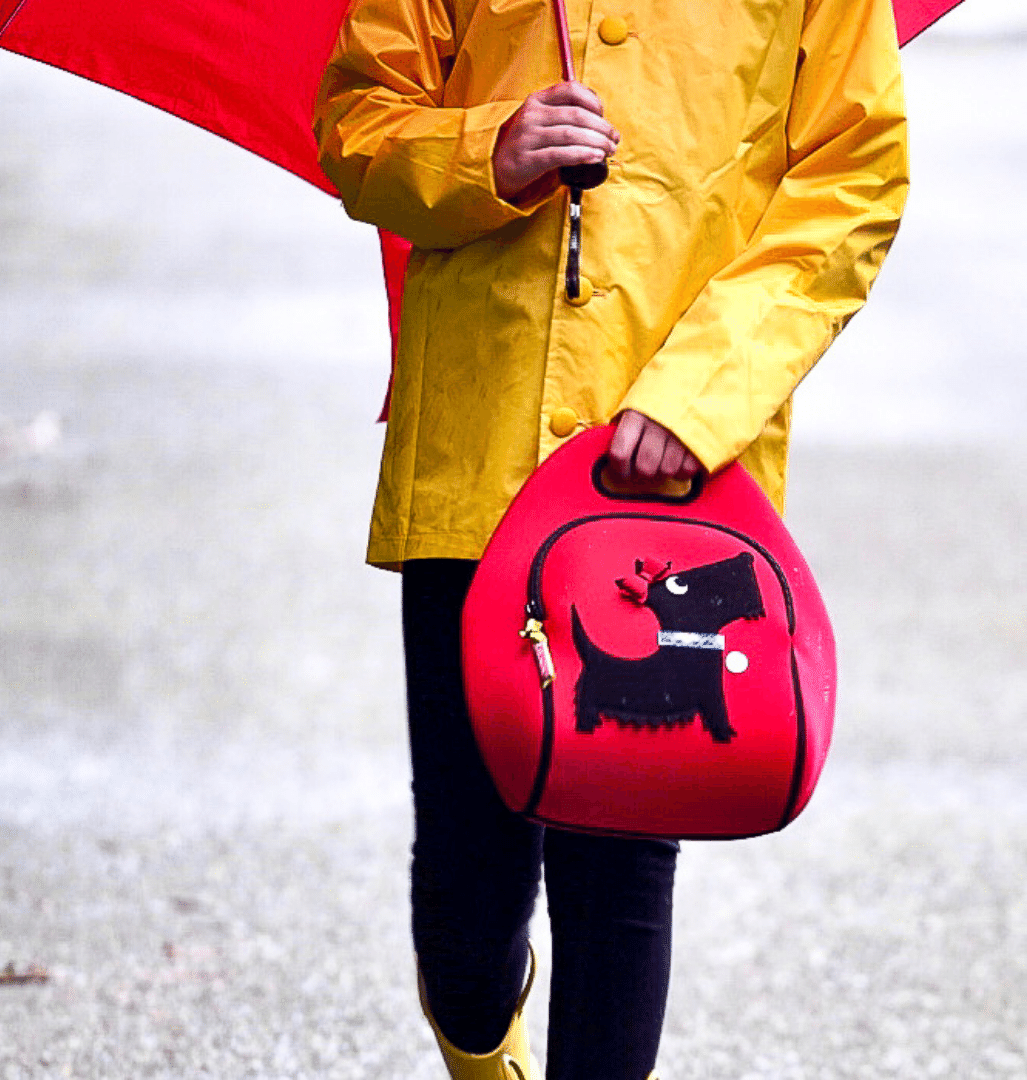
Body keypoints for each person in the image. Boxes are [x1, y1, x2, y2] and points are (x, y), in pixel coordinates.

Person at [314, 1, 908, 1077]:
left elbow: (852, 180)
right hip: (480, 457)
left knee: (622, 868)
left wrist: (700, 399)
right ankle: (485, 1035)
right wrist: (482, 149)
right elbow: (359, 120)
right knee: (466, 896)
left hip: (674, 480)